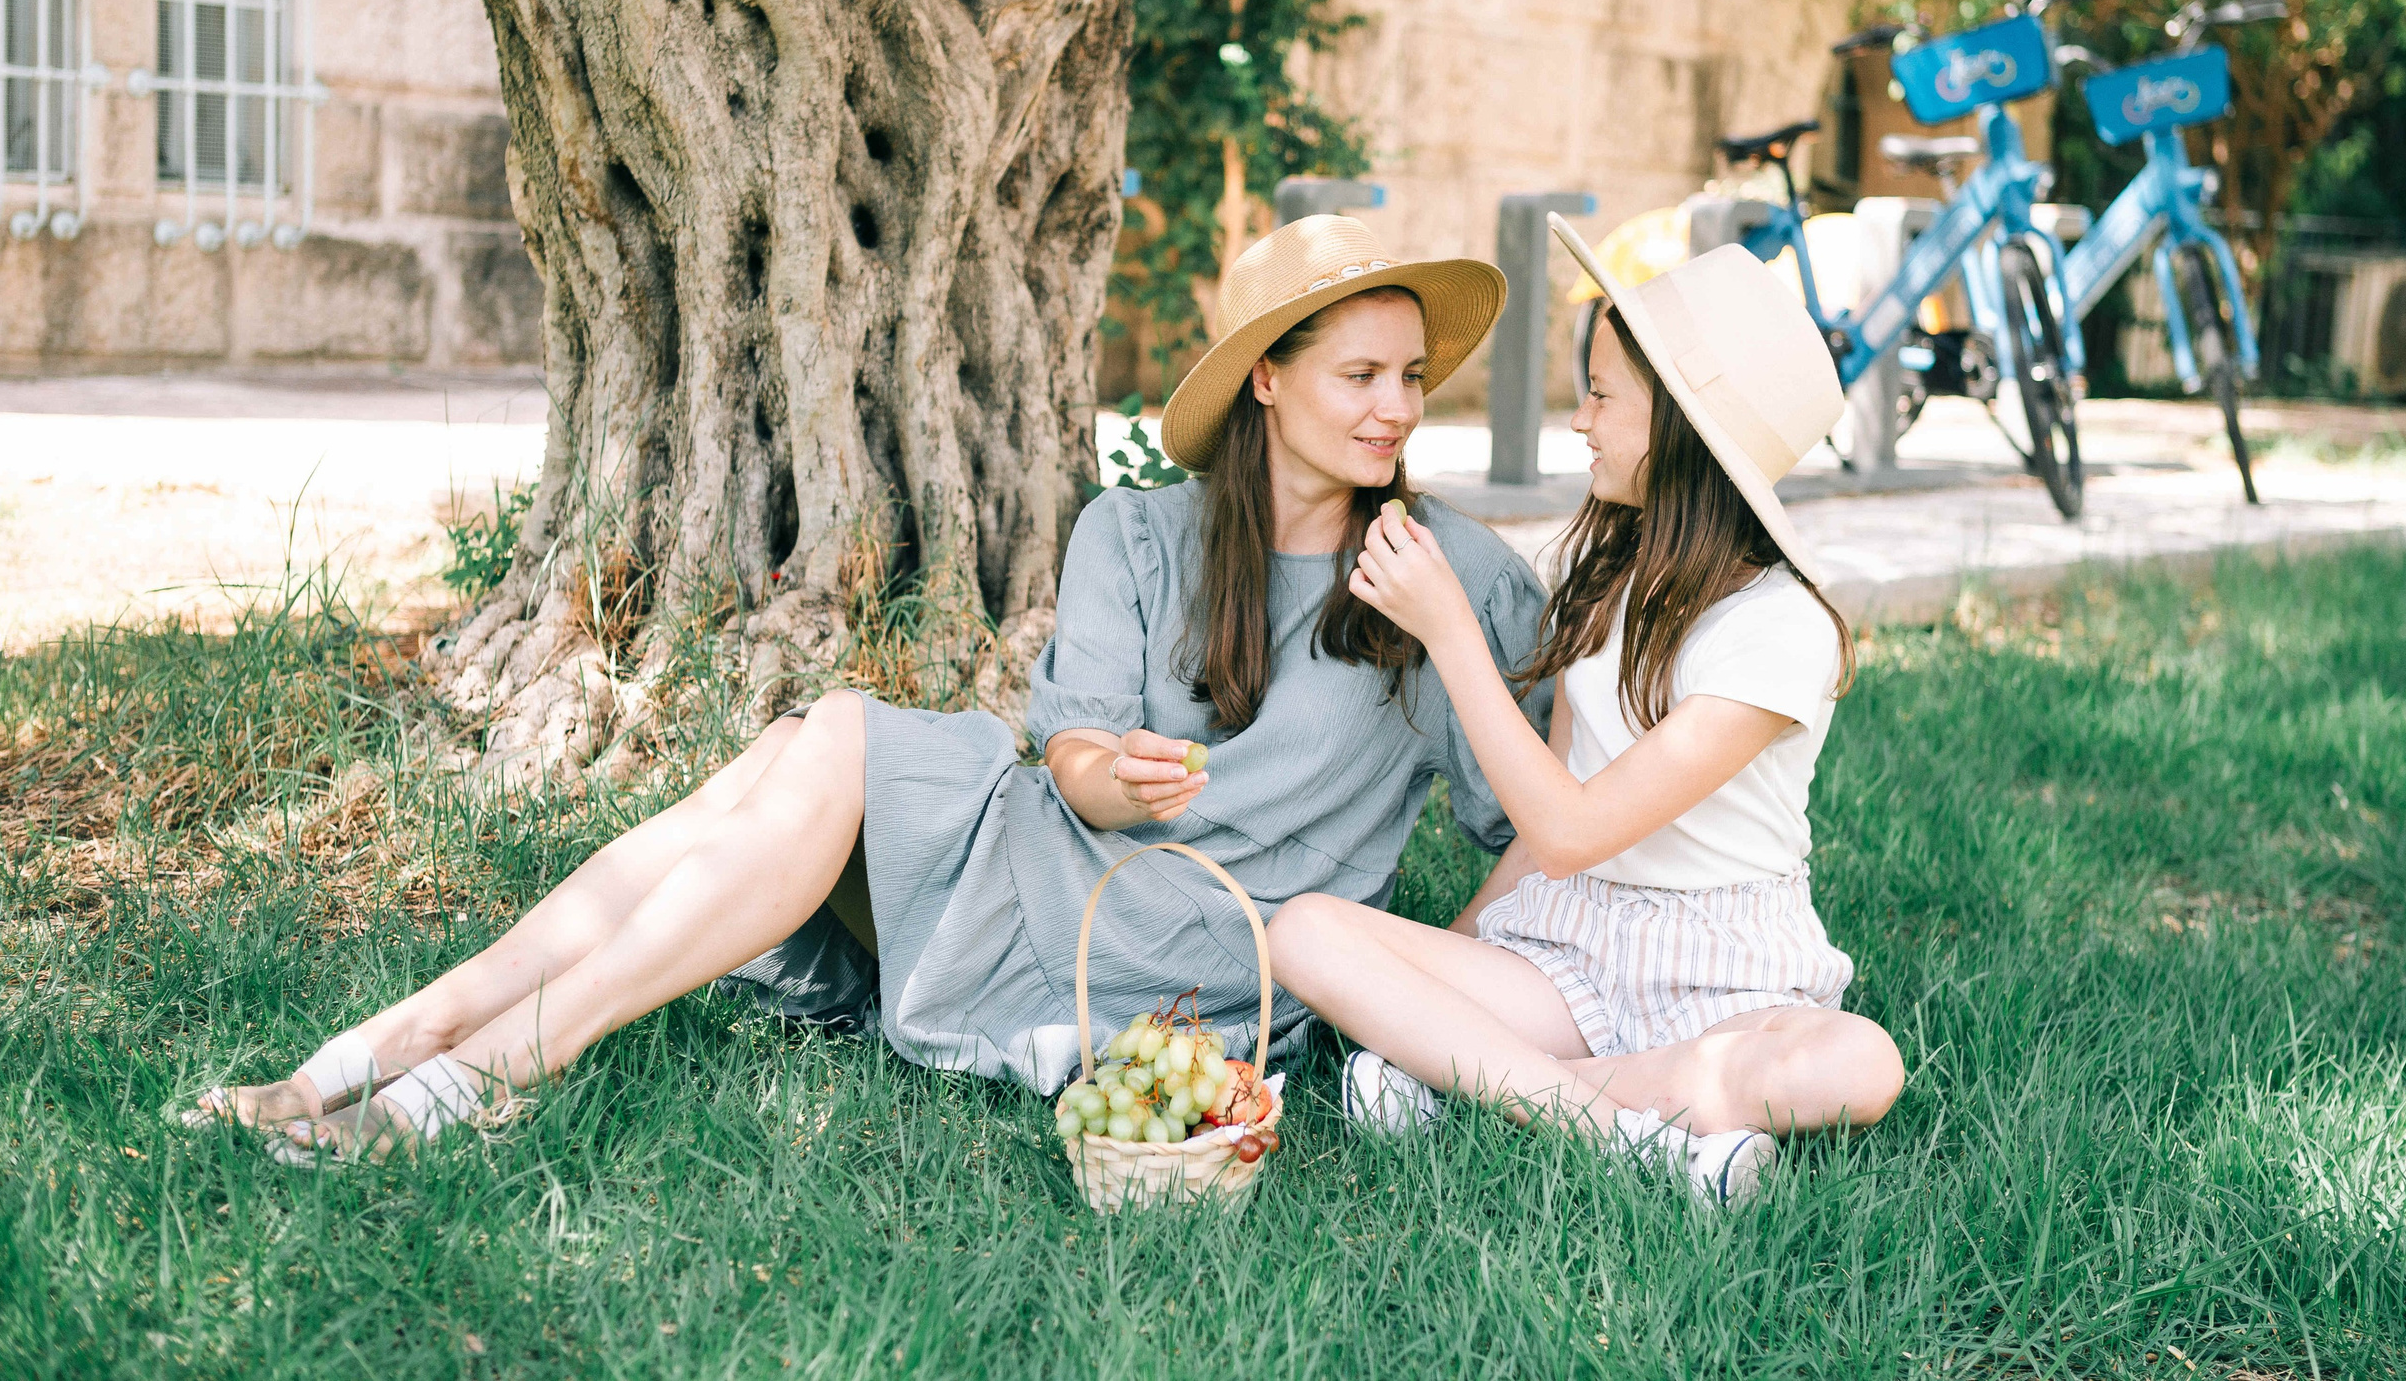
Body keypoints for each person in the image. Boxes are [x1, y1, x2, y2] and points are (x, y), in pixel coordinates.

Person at [185, 216, 1555, 1161]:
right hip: (1060, 855)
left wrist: (1399, 1010)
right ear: (1267, 377)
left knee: (803, 756)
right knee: (811, 750)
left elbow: (1529, 832)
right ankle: (419, 1040)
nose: (1393, 408)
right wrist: (1108, 766)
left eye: (1412, 378)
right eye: (1359, 373)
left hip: (1204, 951)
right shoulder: (1137, 533)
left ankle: (453, 1064)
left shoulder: (1450, 576)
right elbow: (1066, 749)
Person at [1268, 219, 1906, 1205]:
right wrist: (1463, 954)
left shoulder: (1780, 629)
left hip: (1726, 971)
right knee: (1306, 931)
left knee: (1858, 1066)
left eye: (1603, 396)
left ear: (1685, 428)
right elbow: (1546, 828)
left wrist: (1451, 634)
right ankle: (1627, 1132)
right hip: (1567, 950)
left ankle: (1477, 1087)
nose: (1580, 421)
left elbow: (1574, 830)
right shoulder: (1592, 566)